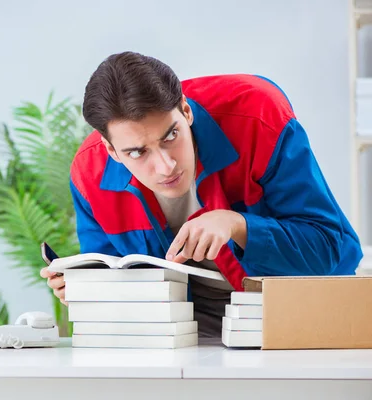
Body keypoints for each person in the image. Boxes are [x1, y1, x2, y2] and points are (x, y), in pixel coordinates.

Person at [40, 51, 363, 337]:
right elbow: (116, 283)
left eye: (171, 136)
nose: (165, 166)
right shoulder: (89, 174)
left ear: (185, 110)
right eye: (138, 153)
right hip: (176, 337)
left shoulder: (258, 116)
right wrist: (87, 291)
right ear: (111, 149)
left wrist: (238, 225)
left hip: (288, 322)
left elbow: (337, 252)